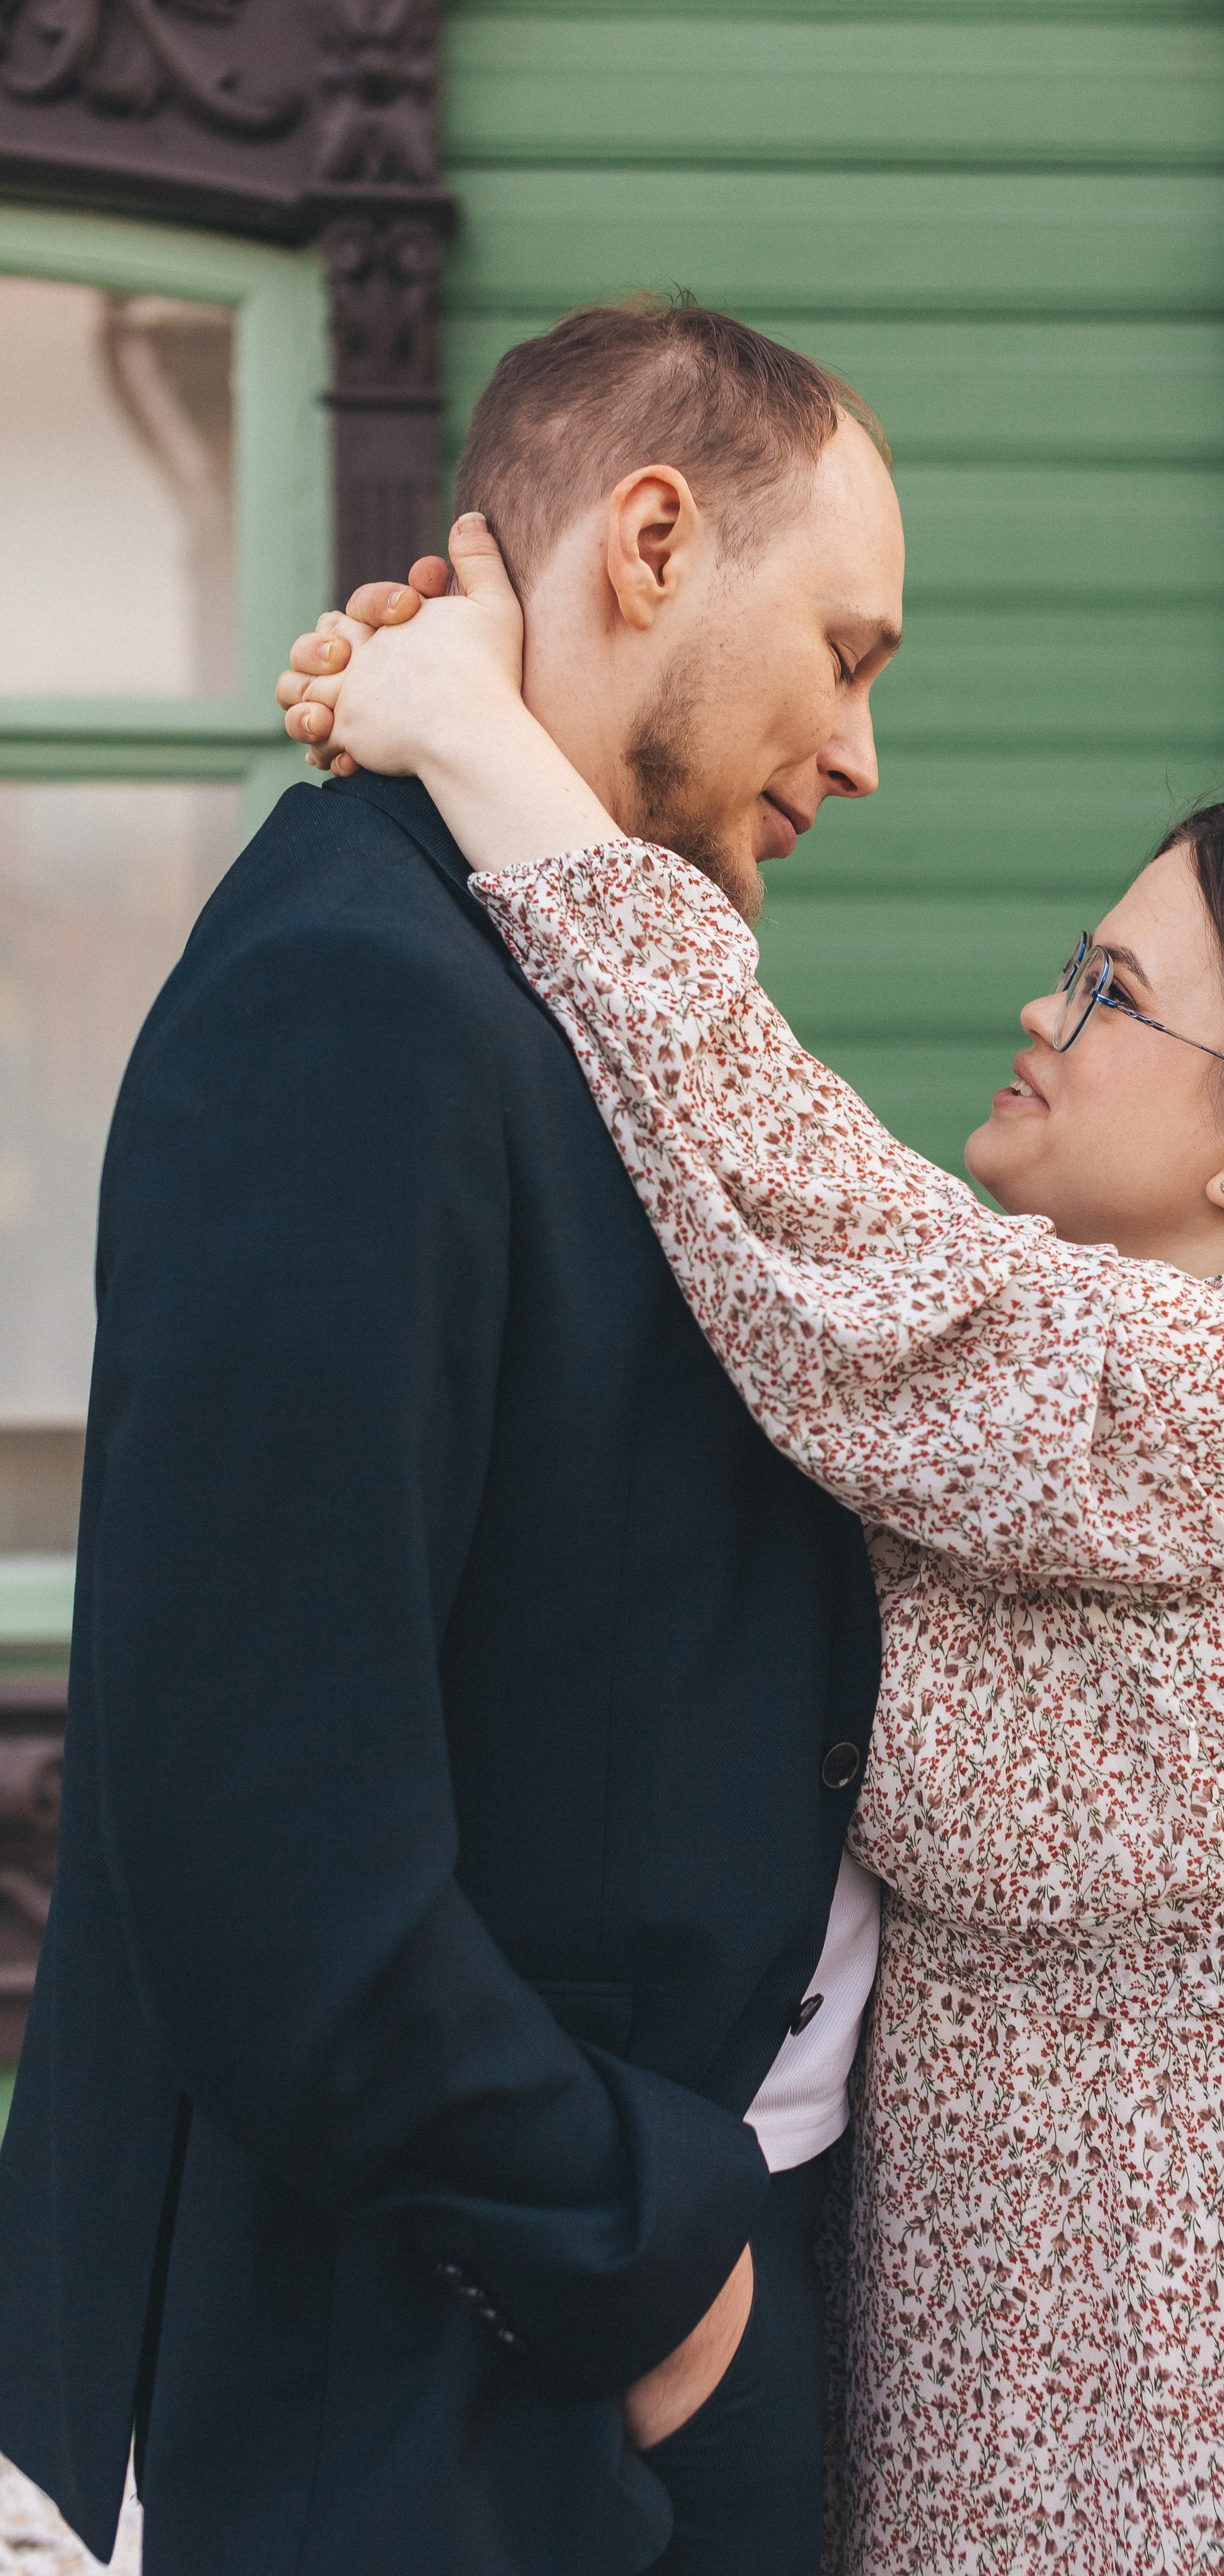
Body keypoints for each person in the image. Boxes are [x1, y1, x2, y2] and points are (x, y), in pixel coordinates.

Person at [273, 516, 1224, 2575]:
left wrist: (481, 745)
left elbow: (797, 1208)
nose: (1040, 1006)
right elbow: (752, 1254)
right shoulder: (1077, 1385)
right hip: (1050, 2388)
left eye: (1111, 994)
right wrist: (516, 719)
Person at [0, 301, 905, 2576]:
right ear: (653, 540)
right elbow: (265, 1849)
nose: (863, 750)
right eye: (844, 652)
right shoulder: (357, 995)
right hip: (450, 2363)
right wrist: (649, 2263)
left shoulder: (562, 971)